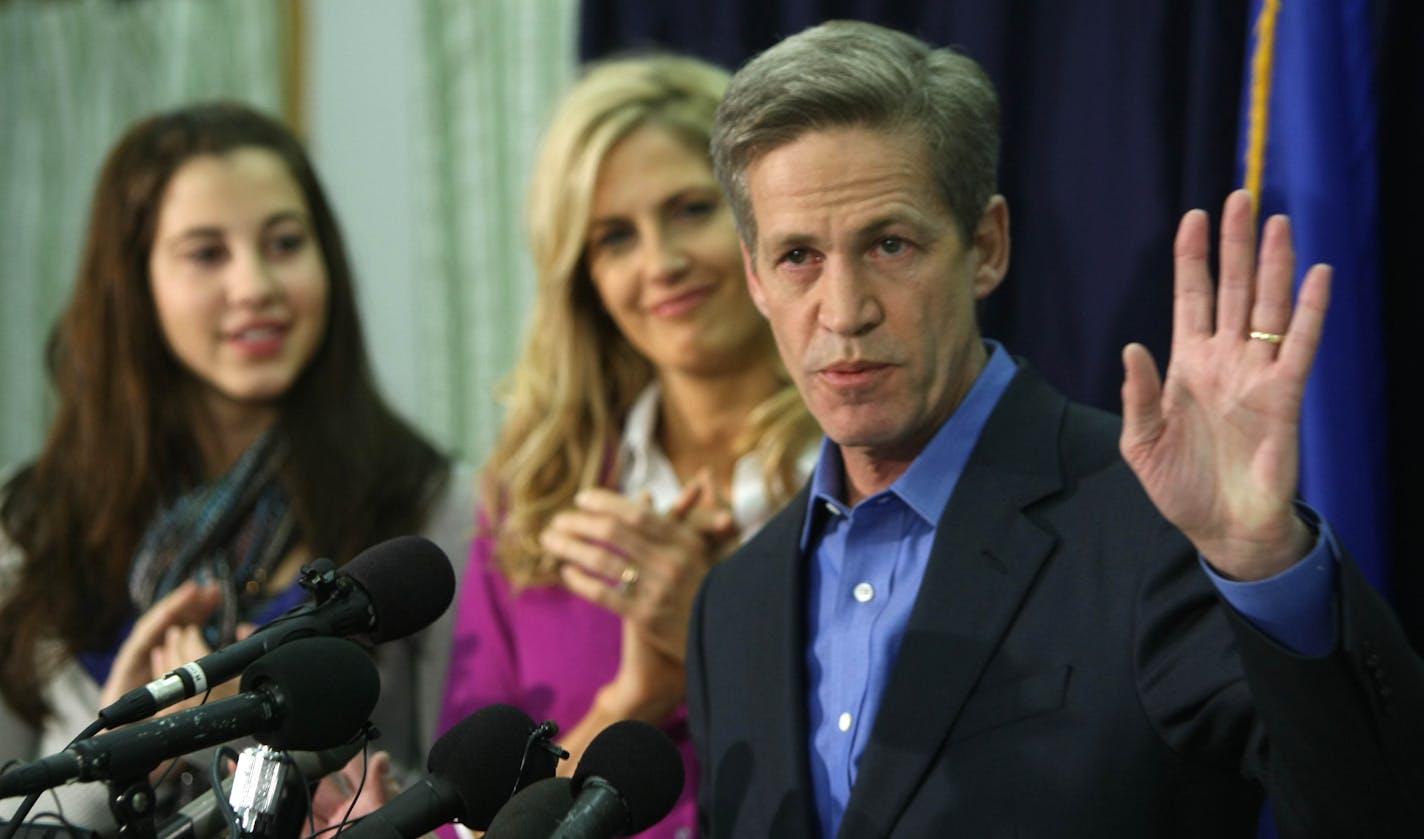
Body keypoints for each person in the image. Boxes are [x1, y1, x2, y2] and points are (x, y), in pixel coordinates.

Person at [687, 20, 1424, 838]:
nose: (844, 310)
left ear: (987, 246)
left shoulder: (1157, 526)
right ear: (755, 279)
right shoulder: (733, 605)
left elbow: (1378, 807)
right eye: (799, 258)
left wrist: (1261, 560)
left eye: (889, 244)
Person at [0, 102, 471, 832]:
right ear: (133, 281)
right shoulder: (33, 527)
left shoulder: (425, 502)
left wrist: (248, 729)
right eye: (206, 253)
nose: (255, 285)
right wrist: (122, 748)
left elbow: (462, 793)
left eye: (284, 242)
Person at [437, 54, 820, 838]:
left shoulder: (868, 467)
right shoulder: (532, 499)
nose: (661, 263)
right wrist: (632, 698)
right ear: (583, 278)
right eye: (615, 236)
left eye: (690, 209)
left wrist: (714, 640)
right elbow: (468, 822)